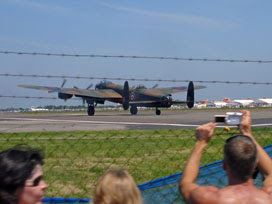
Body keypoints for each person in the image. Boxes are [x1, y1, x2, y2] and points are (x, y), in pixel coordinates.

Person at [179, 110, 272, 204]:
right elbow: (270, 173)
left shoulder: (208, 198)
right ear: (256, 165)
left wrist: (201, 142)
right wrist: (247, 133)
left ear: (224, 165)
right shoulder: (268, 198)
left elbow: (185, 184)